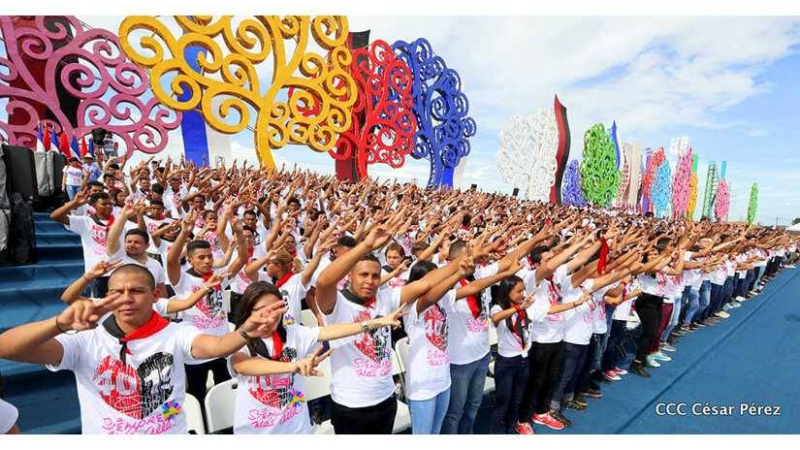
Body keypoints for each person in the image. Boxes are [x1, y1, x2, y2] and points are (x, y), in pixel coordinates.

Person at [0, 264, 285, 434]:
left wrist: (247, 330)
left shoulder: (175, 333)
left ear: (156, 295)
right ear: (106, 296)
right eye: (117, 292)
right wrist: (58, 324)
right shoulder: (85, 341)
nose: (126, 299)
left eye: (136, 291)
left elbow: (218, 345)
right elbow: (6, 348)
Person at [228, 281, 403, 434]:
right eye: (262, 311)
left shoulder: (293, 333)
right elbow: (242, 365)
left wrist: (372, 323)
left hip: (297, 430)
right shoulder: (239, 338)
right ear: (249, 311)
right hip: (256, 434)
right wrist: (293, 366)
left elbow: (328, 331)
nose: (271, 316)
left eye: (276, 309)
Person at [166, 209, 249, 411]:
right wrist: (184, 233)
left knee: (226, 391)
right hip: (197, 350)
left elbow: (242, 259)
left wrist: (238, 232)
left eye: (209, 256)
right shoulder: (182, 280)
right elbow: (170, 261)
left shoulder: (219, 276)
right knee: (197, 393)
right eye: (201, 257)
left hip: (222, 346)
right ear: (190, 260)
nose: (207, 261)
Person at [51, 190, 117, 297]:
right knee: (99, 305)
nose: (109, 206)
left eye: (110, 204)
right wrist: (74, 203)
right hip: (97, 272)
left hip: (118, 270)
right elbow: (55, 216)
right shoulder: (85, 222)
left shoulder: (119, 221)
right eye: (104, 204)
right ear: (94, 206)